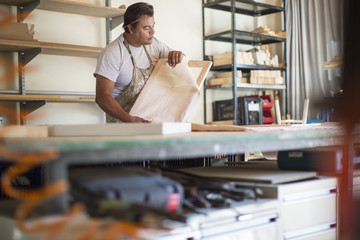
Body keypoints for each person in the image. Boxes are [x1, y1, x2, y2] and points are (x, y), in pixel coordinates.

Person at [94, 2, 184, 123]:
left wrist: (179, 55)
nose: (153, 32)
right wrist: (128, 119)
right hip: (121, 125)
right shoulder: (113, 53)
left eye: (153, 26)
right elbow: (102, 97)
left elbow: (181, 62)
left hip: (150, 120)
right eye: (146, 28)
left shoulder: (155, 45)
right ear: (131, 28)